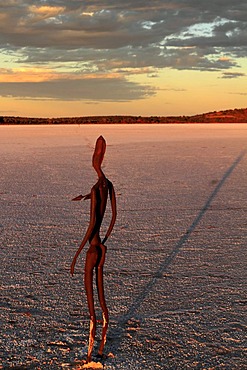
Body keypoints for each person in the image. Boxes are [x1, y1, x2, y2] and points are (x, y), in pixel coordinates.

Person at [70, 135, 117, 363]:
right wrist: (105, 239)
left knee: (91, 308)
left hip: (91, 251)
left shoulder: (96, 186)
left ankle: (89, 356)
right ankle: (101, 348)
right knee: (103, 301)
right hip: (102, 248)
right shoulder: (108, 185)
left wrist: (77, 255)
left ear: (96, 160)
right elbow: (113, 215)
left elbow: (91, 225)